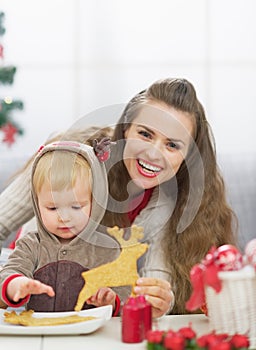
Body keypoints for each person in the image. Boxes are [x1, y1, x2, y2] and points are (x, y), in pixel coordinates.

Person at [0, 78, 237, 315]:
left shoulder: (170, 202)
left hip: (85, 310)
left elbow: (154, 283)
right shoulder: (69, 155)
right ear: (125, 129)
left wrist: (156, 302)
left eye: (172, 145)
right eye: (145, 134)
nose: (153, 153)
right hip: (20, 288)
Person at [0, 140, 126, 314]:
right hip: (39, 335)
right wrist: (16, 285)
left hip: (91, 335)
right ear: (37, 204)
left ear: (95, 202)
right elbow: (11, 272)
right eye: (52, 208)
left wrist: (112, 299)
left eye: (76, 207)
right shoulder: (30, 244)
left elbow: (128, 293)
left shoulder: (107, 248)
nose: (64, 218)